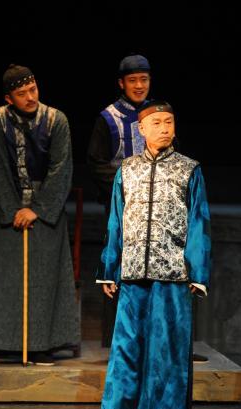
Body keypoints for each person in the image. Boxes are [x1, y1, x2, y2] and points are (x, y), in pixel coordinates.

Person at [77, 101, 211, 409]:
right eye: (157, 122)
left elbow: (199, 221)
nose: (164, 128)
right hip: (133, 272)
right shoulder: (128, 169)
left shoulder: (189, 169)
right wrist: (109, 268)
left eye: (169, 122)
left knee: (168, 352)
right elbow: (116, 221)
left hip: (172, 275)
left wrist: (197, 272)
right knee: (125, 350)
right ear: (141, 129)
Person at [0, 64, 80, 367]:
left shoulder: (56, 120)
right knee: (4, 278)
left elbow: (61, 168)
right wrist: (14, 209)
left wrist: (37, 209)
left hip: (46, 208)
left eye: (33, 89)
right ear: (9, 98)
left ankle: (41, 345)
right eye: (21, 93)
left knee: (44, 277)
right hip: (13, 207)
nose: (30, 97)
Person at [87, 53, 151, 348]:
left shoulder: (158, 114)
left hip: (156, 211)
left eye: (144, 79)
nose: (139, 85)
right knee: (119, 271)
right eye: (133, 80)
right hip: (121, 208)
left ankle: (154, 340)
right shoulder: (109, 118)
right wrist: (127, 188)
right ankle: (119, 343)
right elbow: (96, 163)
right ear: (122, 83)